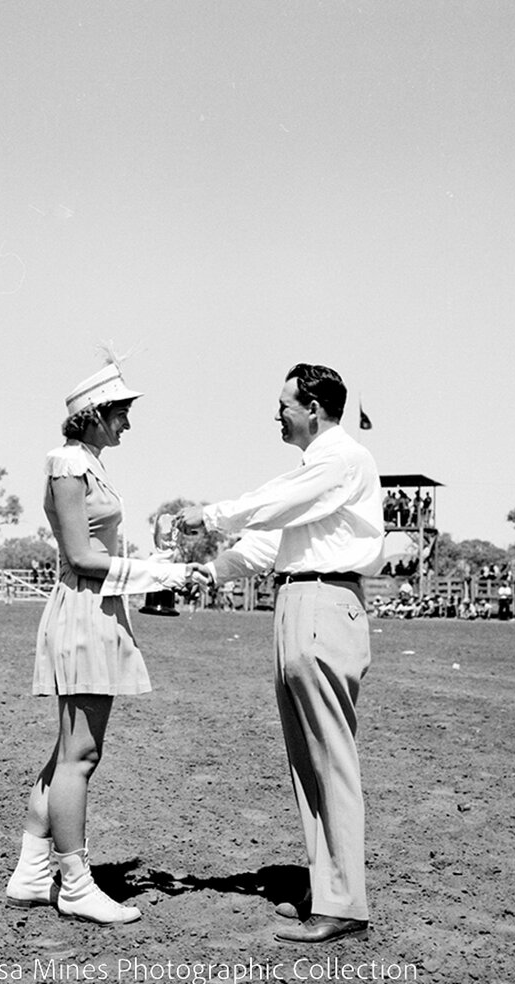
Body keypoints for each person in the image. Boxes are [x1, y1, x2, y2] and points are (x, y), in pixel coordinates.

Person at [179, 363, 384, 945]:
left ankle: (344, 902)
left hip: (323, 601)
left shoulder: (339, 458)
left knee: (330, 758)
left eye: (285, 404)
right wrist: (210, 569)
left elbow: (276, 505)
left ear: (313, 408)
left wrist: (210, 515)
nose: (279, 415)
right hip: (299, 601)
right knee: (307, 760)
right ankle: (326, 887)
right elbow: (270, 541)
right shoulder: (318, 468)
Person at [5, 353, 189, 926]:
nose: (127, 424)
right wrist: (163, 575)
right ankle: (75, 882)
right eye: (120, 414)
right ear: (93, 415)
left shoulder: (86, 462)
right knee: (81, 756)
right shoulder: (67, 464)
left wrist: (155, 563)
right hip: (84, 612)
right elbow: (83, 557)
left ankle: (33, 873)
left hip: (97, 609)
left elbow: (98, 552)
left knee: (69, 752)